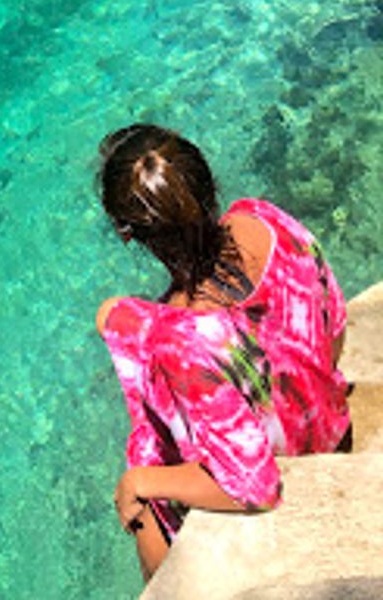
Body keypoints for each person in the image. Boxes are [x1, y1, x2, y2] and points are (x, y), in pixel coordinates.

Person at [95, 124, 351, 581]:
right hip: (329, 425)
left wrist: (139, 483)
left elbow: (256, 485)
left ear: (126, 233)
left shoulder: (183, 339)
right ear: (207, 184)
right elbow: (335, 323)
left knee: (144, 477)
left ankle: (165, 586)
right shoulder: (265, 219)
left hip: (289, 460)